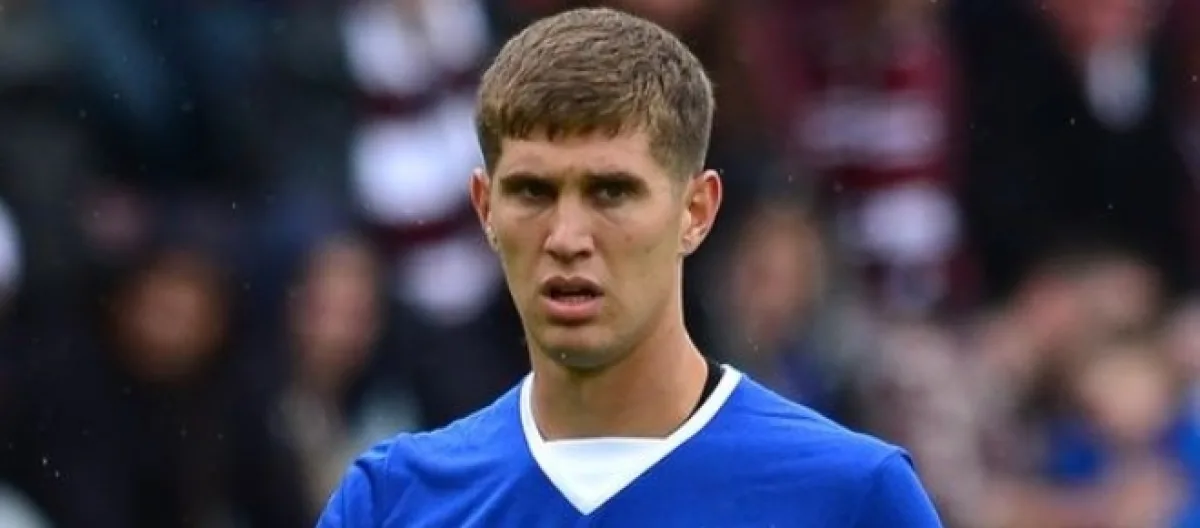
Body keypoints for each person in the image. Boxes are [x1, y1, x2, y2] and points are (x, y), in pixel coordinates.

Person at [317, 7, 943, 527]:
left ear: (696, 211)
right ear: (484, 208)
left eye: (611, 192)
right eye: (533, 192)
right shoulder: (390, 501)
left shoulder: (849, 497)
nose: (566, 238)